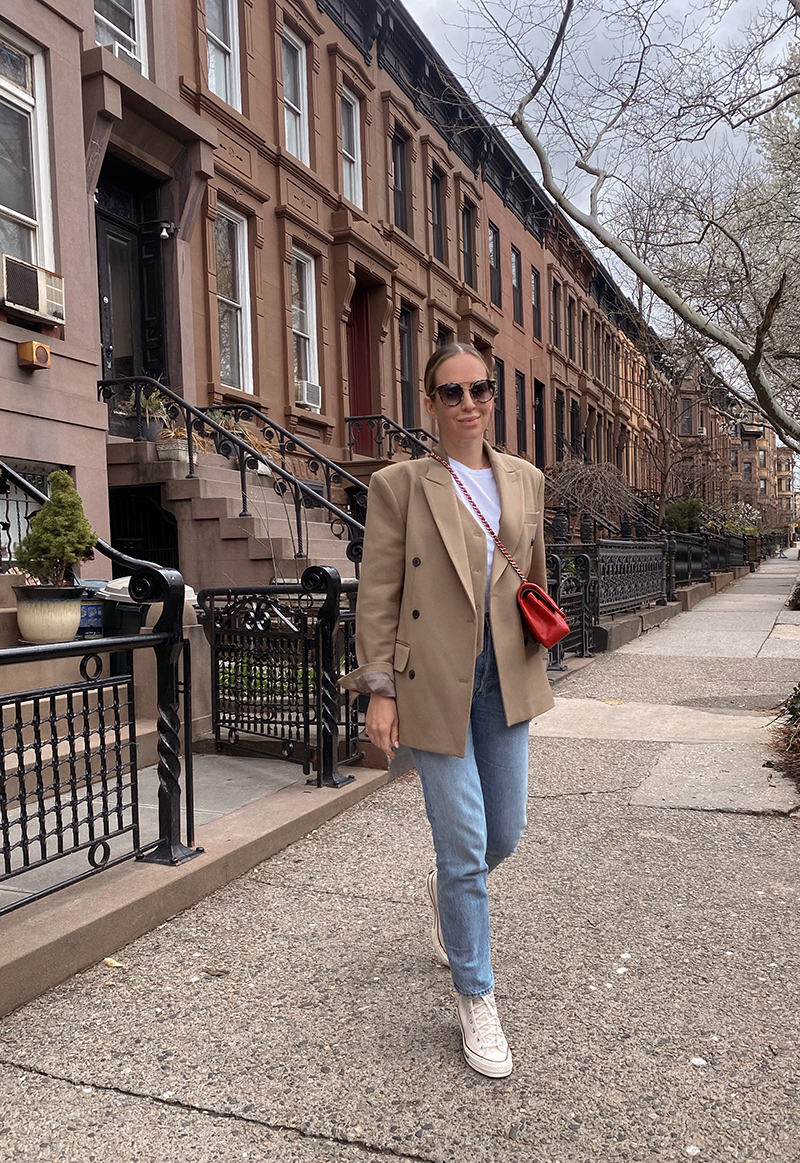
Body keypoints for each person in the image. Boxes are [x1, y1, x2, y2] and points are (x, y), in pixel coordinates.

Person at [341, 342, 554, 1078]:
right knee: (465, 846)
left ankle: (443, 891)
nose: (469, 403)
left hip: (504, 678)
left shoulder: (525, 480)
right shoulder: (400, 484)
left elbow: (536, 573)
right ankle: (475, 993)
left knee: (506, 832)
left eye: (480, 389)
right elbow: (379, 589)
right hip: (430, 678)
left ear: (493, 397)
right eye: (451, 391)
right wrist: (379, 688)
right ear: (430, 403)